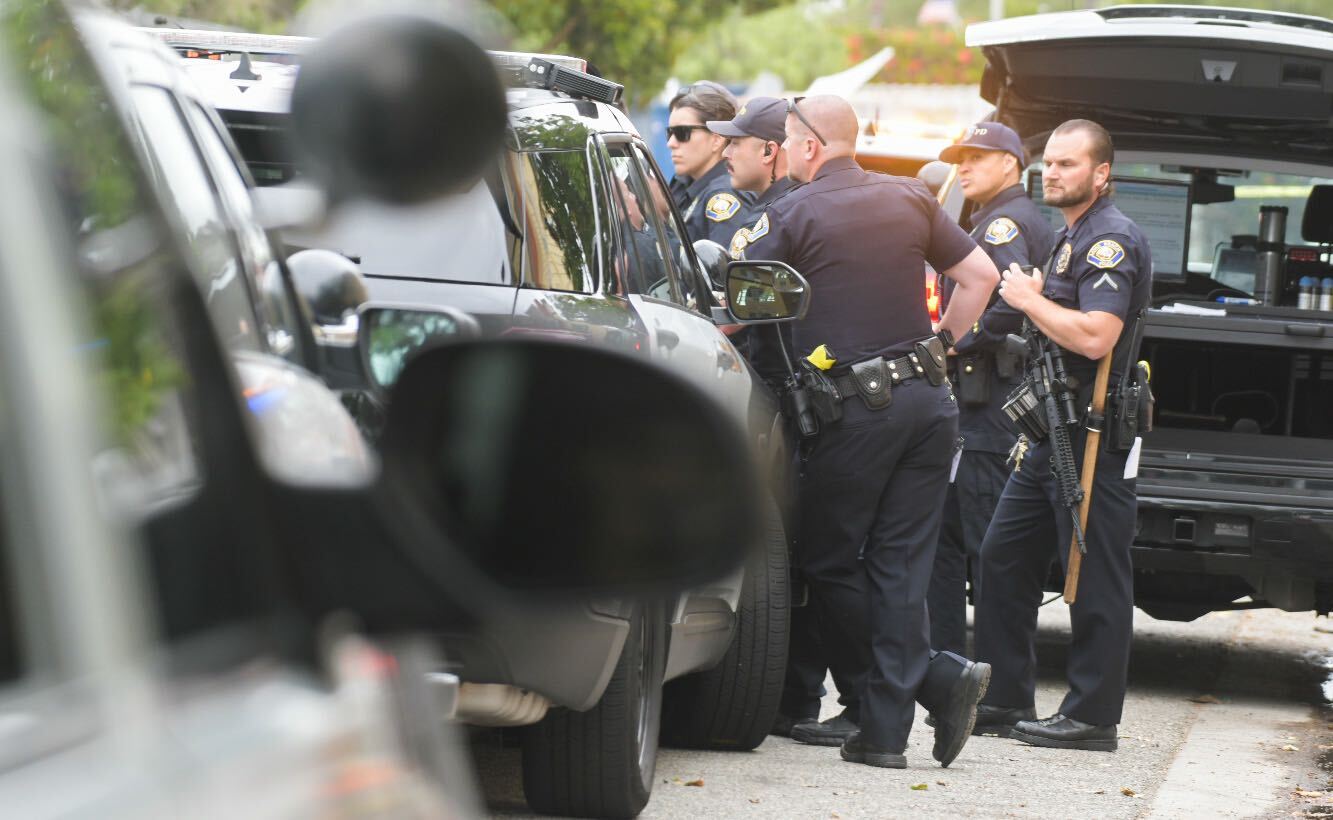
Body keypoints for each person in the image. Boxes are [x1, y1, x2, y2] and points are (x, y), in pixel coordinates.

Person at [740, 94, 1000, 769]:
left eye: (789, 141)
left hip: (854, 413)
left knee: (828, 561)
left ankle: (937, 680)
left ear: (807, 146)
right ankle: (883, 736)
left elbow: (750, 311)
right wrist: (941, 345)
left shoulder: (792, 211)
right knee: (899, 566)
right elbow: (979, 276)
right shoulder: (910, 197)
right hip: (928, 404)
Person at [973, 119, 1151, 752]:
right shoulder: (1068, 236)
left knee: (1095, 572)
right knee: (1001, 556)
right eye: (1048, 163)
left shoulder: (1110, 240)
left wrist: (1028, 299)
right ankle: (1003, 697)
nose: (1051, 173)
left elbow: (1098, 336)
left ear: (1101, 174)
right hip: (1053, 428)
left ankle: (1092, 717)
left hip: (1095, 430)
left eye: (1068, 165)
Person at [928, 122, 1056, 657]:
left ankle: (999, 687)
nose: (964, 167)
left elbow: (1010, 299)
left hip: (991, 407)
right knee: (947, 542)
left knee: (989, 551)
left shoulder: (1006, 223)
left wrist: (961, 341)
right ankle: (949, 673)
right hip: (981, 410)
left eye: (977, 157)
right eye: (960, 158)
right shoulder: (996, 220)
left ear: (1010, 163)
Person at [666, 81, 753, 245]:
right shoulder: (684, 183)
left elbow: (722, 268)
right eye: (669, 132)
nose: (671, 142)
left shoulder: (724, 196)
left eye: (681, 133)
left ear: (717, 140)